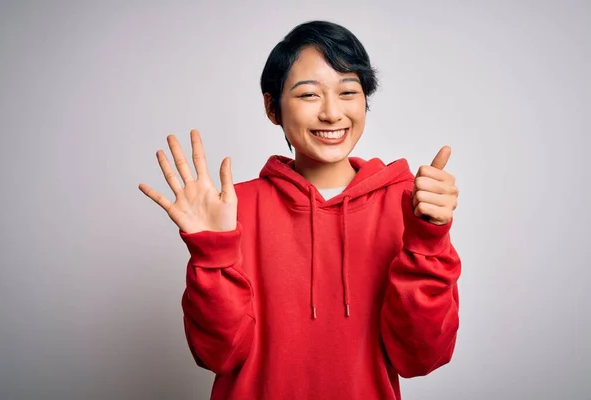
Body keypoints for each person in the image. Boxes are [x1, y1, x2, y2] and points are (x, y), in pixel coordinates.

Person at [139, 20, 461, 400]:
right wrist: (212, 251)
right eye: (308, 95)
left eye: (347, 92)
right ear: (272, 107)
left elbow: (420, 357)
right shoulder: (230, 208)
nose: (331, 113)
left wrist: (428, 239)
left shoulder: (408, 203)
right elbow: (218, 355)